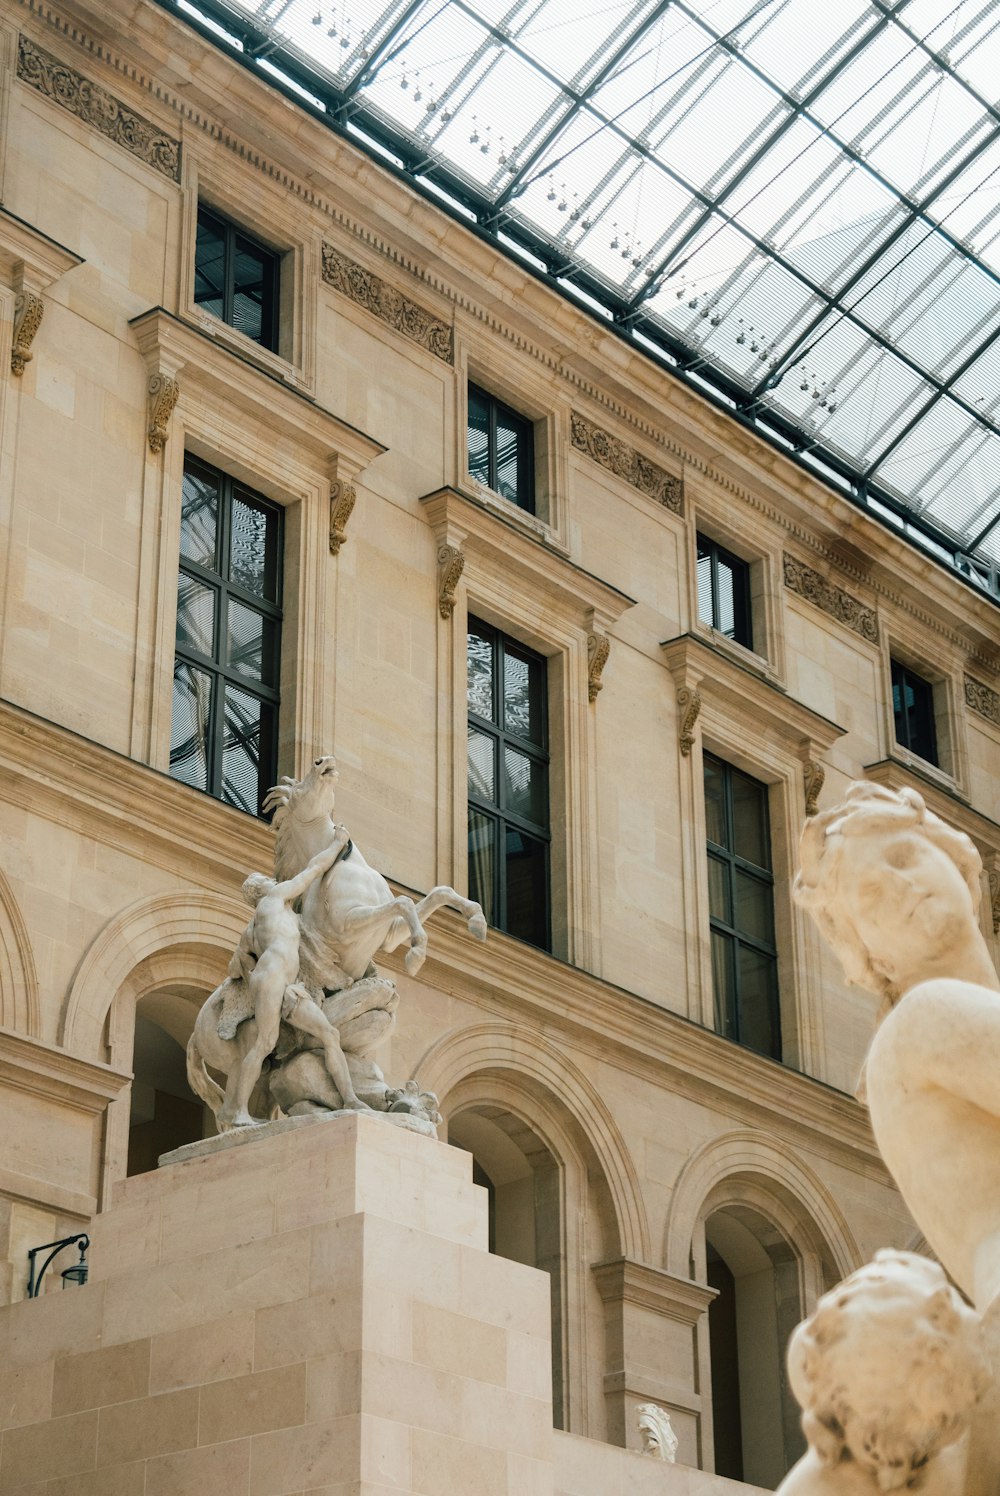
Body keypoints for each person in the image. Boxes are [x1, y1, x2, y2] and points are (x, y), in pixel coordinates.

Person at [795, 782, 1000, 1308]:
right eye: (870, 895)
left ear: (958, 862)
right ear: (872, 958)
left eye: (904, 856)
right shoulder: (924, 1019)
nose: (899, 886)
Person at [221, 826, 371, 1128]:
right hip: (275, 977)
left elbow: (237, 968)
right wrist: (338, 844)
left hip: (289, 986)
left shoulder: (259, 925)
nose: (273, 880)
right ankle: (235, 1111)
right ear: (260, 890)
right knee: (264, 1043)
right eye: (267, 880)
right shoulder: (274, 898)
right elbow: (311, 871)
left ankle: (351, 1099)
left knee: (330, 1034)